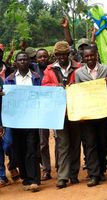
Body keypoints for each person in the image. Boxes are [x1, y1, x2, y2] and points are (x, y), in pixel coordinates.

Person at [42, 41, 80, 189]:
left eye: (65, 54)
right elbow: (44, 86)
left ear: (69, 54)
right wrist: (55, 86)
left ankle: (74, 174)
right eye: (59, 55)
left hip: (77, 111)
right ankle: (63, 177)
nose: (63, 57)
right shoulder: (49, 70)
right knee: (63, 145)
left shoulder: (78, 67)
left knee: (76, 143)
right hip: (59, 113)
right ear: (55, 55)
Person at [73, 46, 107, 186]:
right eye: (86, 56)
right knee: (90, 144)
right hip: (87, 114)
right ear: (83, 58)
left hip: (102, 112)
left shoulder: (105, 69)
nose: (89, 58)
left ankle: (101, 170)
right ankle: (93, 174)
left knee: (102, 143)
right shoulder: (79, 73)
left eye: (92, 55)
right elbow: (77, 93)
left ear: (97, 55)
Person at [5, 51, 41, 192]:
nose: (23, 62)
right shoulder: (9, 79)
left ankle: (34, 180)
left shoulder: (36, 77)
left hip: (32, 119)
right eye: (20, 60)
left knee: (32, 148)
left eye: (25, 59)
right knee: (19, 150)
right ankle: (26, 179)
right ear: (15, 63)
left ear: (29, 62)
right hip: (16, 121)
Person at [34, 49, 53, 181]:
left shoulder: (53, 69)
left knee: (59, 140)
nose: (42, 59)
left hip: (55, 109)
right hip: (40, 111)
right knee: (43, 142)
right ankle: (46, 169)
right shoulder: (33, 72)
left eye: (44, 56)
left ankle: (60, 166)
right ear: (36, 59)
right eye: (40, 57)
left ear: (48, 57)